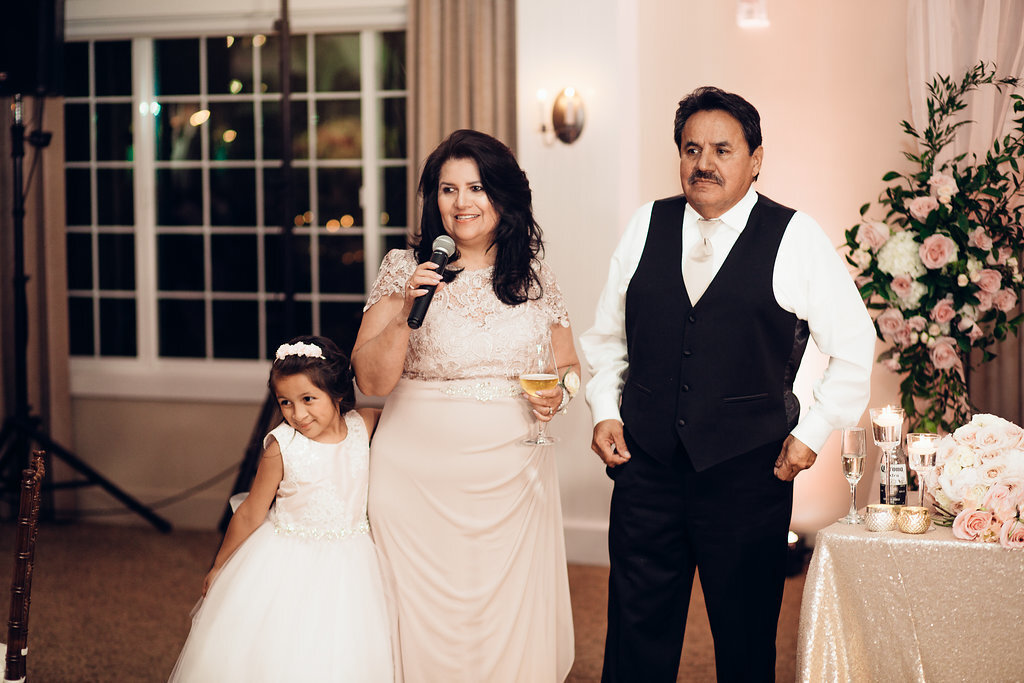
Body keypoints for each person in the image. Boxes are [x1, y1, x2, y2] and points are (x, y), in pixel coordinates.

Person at [579, 86, 875, 682]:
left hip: (748, 476)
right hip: (647, 470)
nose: (703, 163)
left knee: (744, 644)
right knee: (636, 638)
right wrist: (604, 410)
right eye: (691, 149)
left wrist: (811, 433)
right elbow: (606, 337)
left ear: (756, 158)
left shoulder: (795, 236)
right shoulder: (647, 225)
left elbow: (855, 345)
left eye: (721, 149)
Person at [352, 129, 579, 682]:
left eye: (475, 188)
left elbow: (570, 369)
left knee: (503, 615)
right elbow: (371, 380)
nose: (461, 203)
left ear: (502, 195)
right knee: (416, 613)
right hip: (414, 478)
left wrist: (561, 394)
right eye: (447, 190)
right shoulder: (402, 269)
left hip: (511, 474)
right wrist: (408, 305)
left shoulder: (535, 276)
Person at [168, 335, 395, 682]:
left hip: (352, 560)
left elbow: (405, 419)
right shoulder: (282, 446)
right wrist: (220, 566)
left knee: (345, 647)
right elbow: (249, 513)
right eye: (285, 402)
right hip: (287, 558)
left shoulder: (363, 424)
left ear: (336, 392)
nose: (298, 414)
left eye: (308, 399)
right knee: (282, 647)